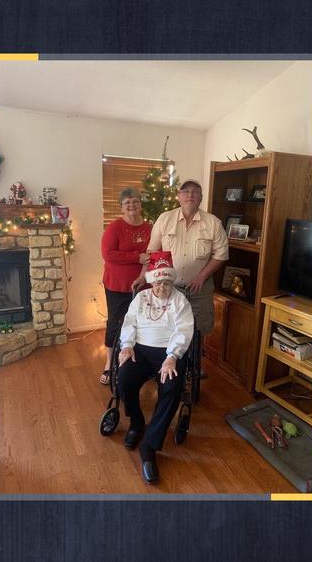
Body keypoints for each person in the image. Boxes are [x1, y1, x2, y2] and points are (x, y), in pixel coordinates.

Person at [133, 179, 228, 367]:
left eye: (195, 191)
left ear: (201, 197)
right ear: (178, 196)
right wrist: (142, 276)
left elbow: (221, 254)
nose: (190, 195)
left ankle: (194, 367)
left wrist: (202, 276)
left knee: (198, 328)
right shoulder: (164, 219)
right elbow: (153, 252)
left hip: (199, 289)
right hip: (169, 288)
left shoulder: (213, 223)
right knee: (169, 327)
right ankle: (171, 365)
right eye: (185, 191)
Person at [117, 251, 194, 484]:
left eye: (166, 282)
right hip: (140, 349)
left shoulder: (180, 301)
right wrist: (127, 345)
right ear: (151, 280)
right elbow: (129, 322)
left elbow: (183, 330)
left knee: (171, 386)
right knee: (125, 377)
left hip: (169, 352)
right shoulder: (141, 298)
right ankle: (137, 422)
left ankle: (149, 447)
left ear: (172, 281)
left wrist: (172, 356)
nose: (162, 286)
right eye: (158, 282)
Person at [99, 188, 152, 385]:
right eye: (127, 202)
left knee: (143, 323)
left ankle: (139, 362)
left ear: (141, 205)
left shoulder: (149, 228)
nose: (132, 206)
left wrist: (144, 272)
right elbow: (108, 254)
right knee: (115, 322)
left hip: (143, 285)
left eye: (135, 202)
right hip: (117, 285)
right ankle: (108, 363)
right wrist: (137, 257)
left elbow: (153, 253)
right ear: (121, 206)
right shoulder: (115, 227)